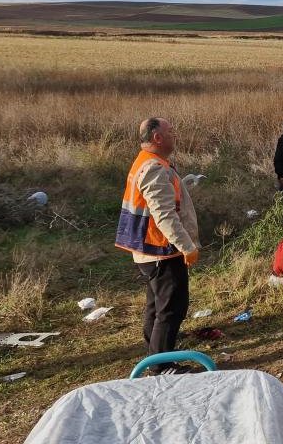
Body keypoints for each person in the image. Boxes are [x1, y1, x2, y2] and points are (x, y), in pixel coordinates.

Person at [115, 117, 201, 374]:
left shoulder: (148, 162)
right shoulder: (153, 167)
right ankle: (162, 365)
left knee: (156, 305)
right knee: (172, 306)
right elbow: (163, 214)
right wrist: (187, 246)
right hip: (161, 250)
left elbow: (160, 199)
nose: (175, 135)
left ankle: (154, 354)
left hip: (149, 250)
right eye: (171, 132)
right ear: (157, 138)